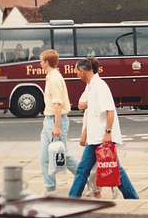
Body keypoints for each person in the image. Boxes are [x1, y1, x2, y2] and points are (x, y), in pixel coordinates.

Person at [69, 58, 139, 199]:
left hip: (102, 137)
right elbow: (84, 108)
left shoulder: (100, 86)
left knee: (115, 169)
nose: (76, 74)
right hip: (94, 138)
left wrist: (108, 132)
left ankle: (132, 198)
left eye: (77, 71)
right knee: (83, 170)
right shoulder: (90, 86)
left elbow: (110, 110)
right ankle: (72, 198)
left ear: (82, 71)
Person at [39, 49, 79, 196]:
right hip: (48, 119)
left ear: (47, 62)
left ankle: (86, 179)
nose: (40, 63)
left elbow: (58, 104)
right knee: (44, 156)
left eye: (42, 61)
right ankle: (50, 188)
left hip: (57, 120)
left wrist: (56, 126)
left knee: (63, 155)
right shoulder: (50, 77)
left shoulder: (55, 79)